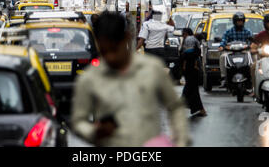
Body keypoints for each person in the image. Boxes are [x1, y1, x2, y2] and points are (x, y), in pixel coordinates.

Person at [71, 11, 189, 147]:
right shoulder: (89, 79)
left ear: (126, 38)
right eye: (104, 51)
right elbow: (78, 121)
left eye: (114, 49)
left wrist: (180, 140)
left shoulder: (152, 69)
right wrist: (94, 131)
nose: (110, 57)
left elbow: (175, 107)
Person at [218, 12, 253, 88]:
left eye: (241, 21)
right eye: (238, 21)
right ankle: (224, 77)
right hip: (231, 51)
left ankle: (252, 77)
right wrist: (221, 46)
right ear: (234, 22)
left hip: (244, 51)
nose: (239, 23)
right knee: (223, 57)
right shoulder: (229, 31)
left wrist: (251, 45)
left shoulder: (247, 31)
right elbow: (224, 40)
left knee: (253, 58)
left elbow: (251, 41)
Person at [181, 28, 206, 117]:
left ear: (186, 33)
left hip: (190, 67)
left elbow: (188, 54)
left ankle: (199, 109)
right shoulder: (194, 40)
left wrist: (184, 65)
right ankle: (199, 109)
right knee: (192, 88)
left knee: (191, 88)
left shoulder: (189, 40)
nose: (182, 36)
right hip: (194, 67)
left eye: (183, 34)